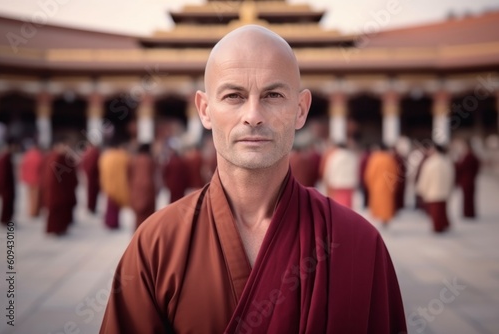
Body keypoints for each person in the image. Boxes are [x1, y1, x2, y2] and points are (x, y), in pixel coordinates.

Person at [100, 25, 406, 334]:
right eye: (234, 96)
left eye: (273, 95)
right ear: (205, 110)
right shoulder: (157, 244)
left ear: (300, 110)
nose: (253, 115)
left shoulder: (358, 243)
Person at [417, 143, 455, 233]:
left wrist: (422, 189)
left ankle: (438, 228)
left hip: (433, 191)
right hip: (444, 191)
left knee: (436, 212)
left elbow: (425, 177)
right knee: (442, 210)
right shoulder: (447, 161)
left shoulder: (430, 163)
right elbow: (452, 177)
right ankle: (443, 225)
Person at [43, 139, 78, 235]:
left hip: (64, 189)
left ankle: (62, 228)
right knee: (57, 210)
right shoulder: (56, 157)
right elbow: (52, 177)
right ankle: (56, 230)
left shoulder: (65, 158)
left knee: (63, 211)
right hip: (57, 190)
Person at [99, 138, 130, 229]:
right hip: (120, 183)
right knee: (116, 205)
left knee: (110, 204)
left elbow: (102, 171)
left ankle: (109, 222)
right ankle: (114, 223)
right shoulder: (123, 156)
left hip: (108, 183)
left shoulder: (106, 156)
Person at [364, 143, 398, 226]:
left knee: (378, 202)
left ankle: (379, 217)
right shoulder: (390, 159)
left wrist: (369, 183)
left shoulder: (375, 158)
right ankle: (385, 219)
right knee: (386, 204)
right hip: (387, 185)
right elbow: (394, 173)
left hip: (376, 185)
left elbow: (370, 173)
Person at [129, 143, 157, 230]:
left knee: (138, 216)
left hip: (136, 189)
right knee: (148, 217)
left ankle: (138, 234)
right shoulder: (150, 161)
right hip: (148, 189)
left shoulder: (134, 160)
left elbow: (129, 175)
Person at [322, 142, 359, 208]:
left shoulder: (334, 157)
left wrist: (327, 179)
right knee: (348, 202)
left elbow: (330, 169)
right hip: (349, 182)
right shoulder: (352, 156)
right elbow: (356, 169)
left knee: (339, 201)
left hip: (337, 182)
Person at [455, 139, 480, 218]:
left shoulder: (469, 156)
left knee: (468, 198)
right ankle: (468, 212)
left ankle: (469, 213)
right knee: (467, 198)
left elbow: (462, 167)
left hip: (467, 180)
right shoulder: (468, 156)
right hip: (467, 180)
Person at [20, 141, 44, 217]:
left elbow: (23, 167)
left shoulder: (27, 155)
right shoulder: (39, 156)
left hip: (29, 179)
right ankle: (35, 211)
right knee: (36, 197)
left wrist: (23, 177)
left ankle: (31, 211)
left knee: (30, 196)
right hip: (37, 179)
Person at [80, 142, 101, 214]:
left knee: (90, 192)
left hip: (89, 175)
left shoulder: (88, 152)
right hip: (93, 176)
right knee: (92, 192)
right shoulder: (93, 152)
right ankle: (91, 207)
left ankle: (90, 207)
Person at [0, 141, 15, 225]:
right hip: (6, 186)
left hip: (9, 186)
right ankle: (5, 220)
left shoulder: (8, 157)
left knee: (8, 204)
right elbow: (2, 174)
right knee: (6, 204)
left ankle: (7, 219)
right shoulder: (5, 158)